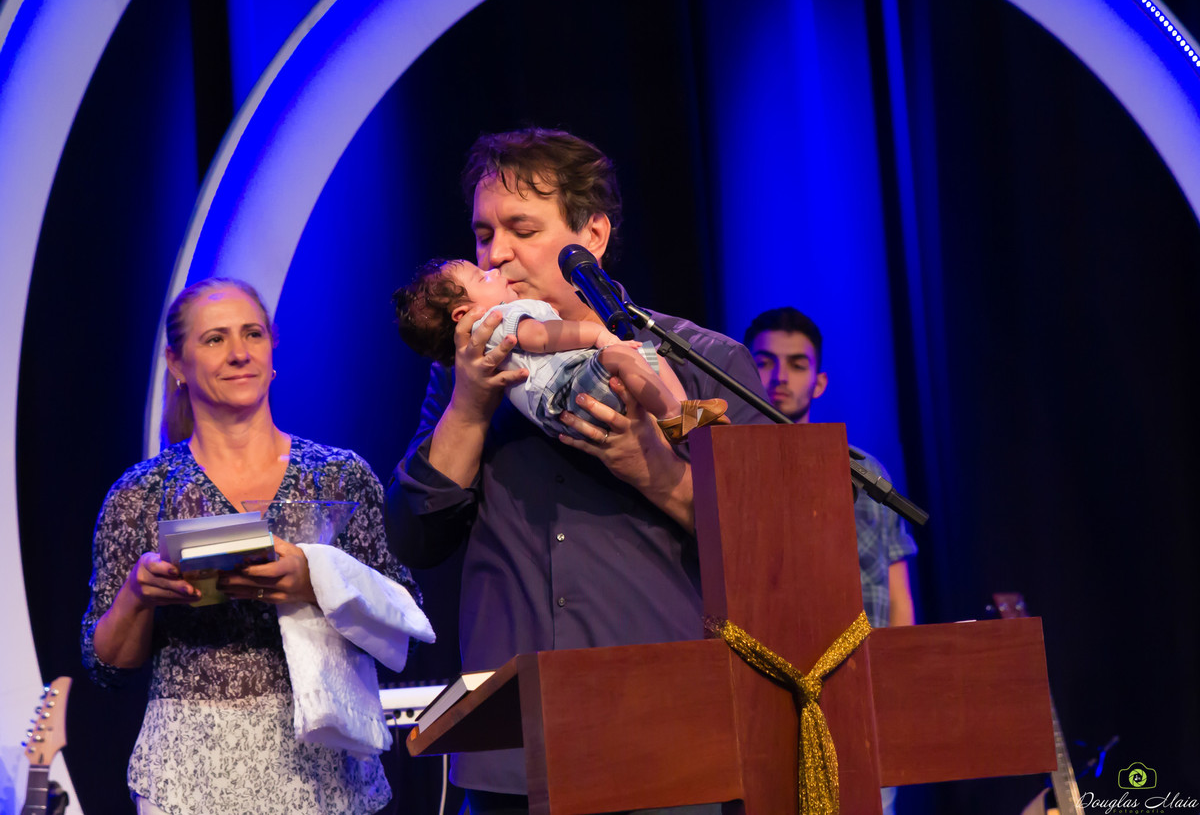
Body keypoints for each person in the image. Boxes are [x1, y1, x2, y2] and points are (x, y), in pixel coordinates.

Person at [386, 128, 771, 815]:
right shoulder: (460, 376)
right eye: (482, 233)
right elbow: (415, 539)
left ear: (590, 236)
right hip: (514, 754)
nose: (494, 252)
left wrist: (655, 473)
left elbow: (775, 556)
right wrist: (472, 406)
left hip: (668, 741)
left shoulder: (701, 361)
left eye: (521, 228)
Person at [82, 277, 421, 815]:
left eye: (253, 334)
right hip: (189, 774)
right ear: (176, 362)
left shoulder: (339, 476)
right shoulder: (142, 493)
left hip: (326, 768)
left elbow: (404, 621)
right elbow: (107, 666)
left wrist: (312, 581)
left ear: (273, 348)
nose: (239, 353)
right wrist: (138, 595)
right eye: (215, 339)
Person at [744, 306, 916, 815]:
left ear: (818, 382)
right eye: (765, 361)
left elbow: (898, 599)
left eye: (797, 365)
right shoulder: (726, 470)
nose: (779, 377)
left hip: (862, 706)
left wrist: (900, 692)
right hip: (768, 706)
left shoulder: (864, 471)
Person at [392, 258, 728, 443]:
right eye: (482, 278)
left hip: (574, 383)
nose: (495, 267)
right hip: (565, 392)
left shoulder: (501, 319)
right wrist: (597, 334)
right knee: (626, 354)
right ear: (463, 315)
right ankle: (673, 416)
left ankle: (682, 410)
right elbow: (541, 336)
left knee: (645, 350)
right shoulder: (493, 322)